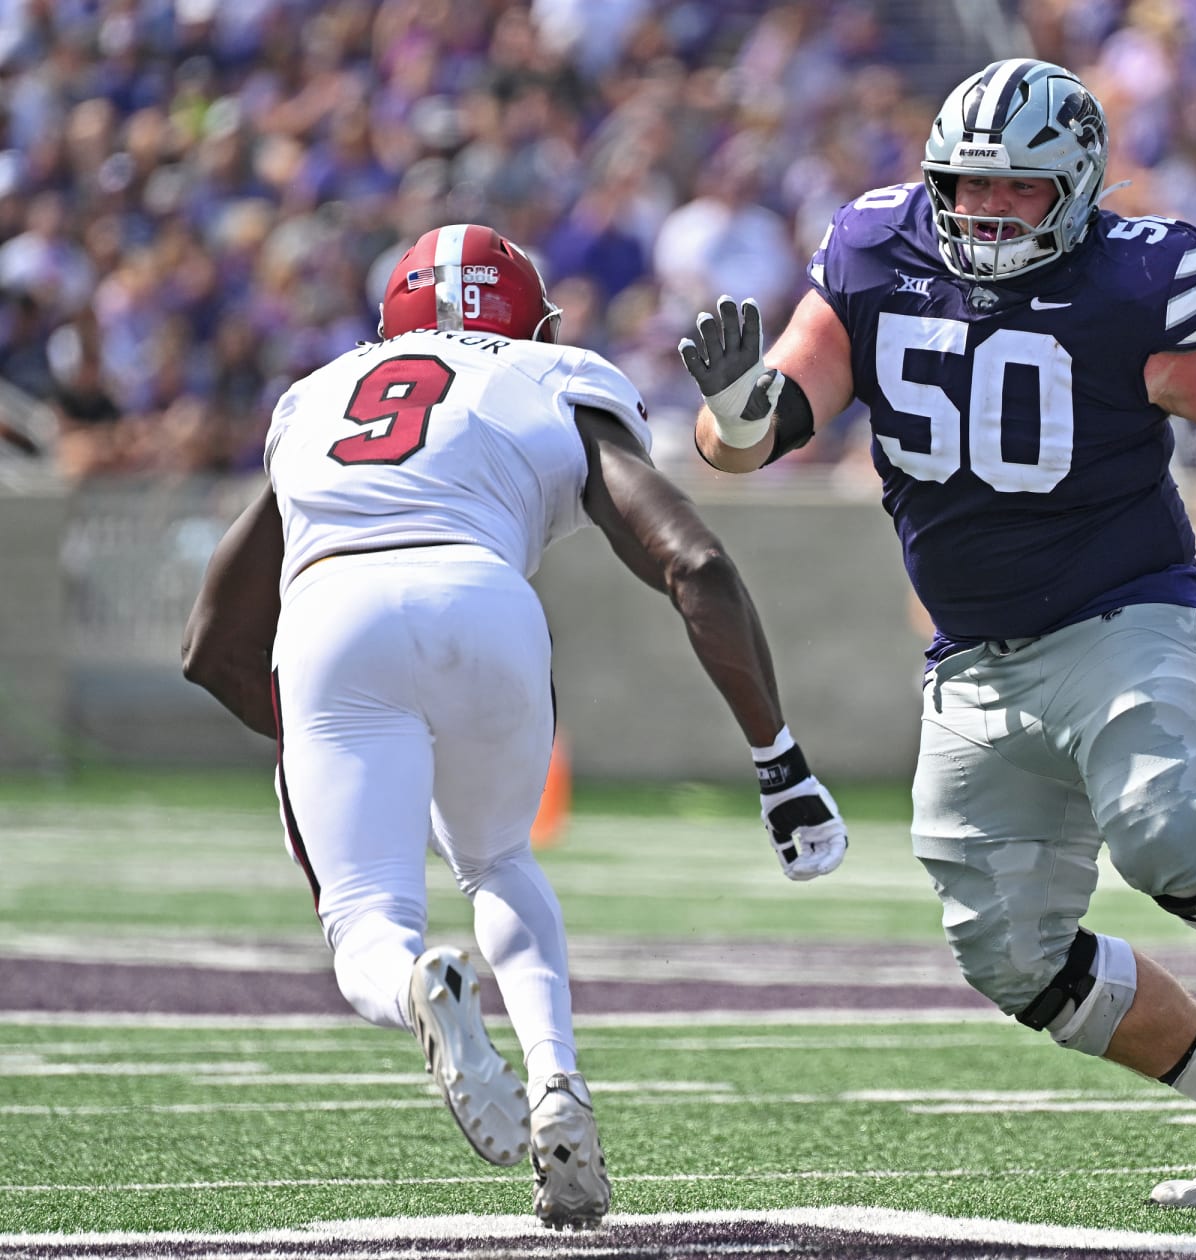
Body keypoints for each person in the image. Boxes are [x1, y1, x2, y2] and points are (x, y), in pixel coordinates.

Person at [679, 59, 1196, 1207]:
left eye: (1019, 191)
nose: (985, 212)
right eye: (965, 186)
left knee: (1169, 829)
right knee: (1010, 952)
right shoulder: (879, 252)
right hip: (973, 656)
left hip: (1123, 614)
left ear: (1079, 186)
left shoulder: (1139, 282)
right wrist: (736, 414)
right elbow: (753, 429)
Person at [181, 223, 848, 1230]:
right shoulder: (552, 372)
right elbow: (695, 564)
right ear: (535, 324)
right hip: (483, 600)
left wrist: (321, 741)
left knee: (366, 923)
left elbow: (209, 644)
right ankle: (559, 1089)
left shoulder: (316, 395)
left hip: (330, 610)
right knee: (498, 861)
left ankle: (418, 987)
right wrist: (778, 758)